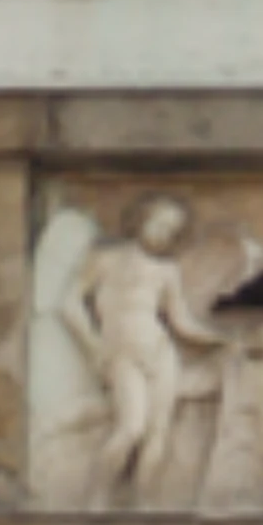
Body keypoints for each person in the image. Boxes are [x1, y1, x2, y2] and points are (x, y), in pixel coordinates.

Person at [59, 193, 224, 505]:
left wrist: (221, 338)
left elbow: (182, 322)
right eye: (159, 222)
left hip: (161, 353)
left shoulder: (166, 271)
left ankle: (145, 505)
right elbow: (70, 304)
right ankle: (96, 499)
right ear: (141, 219)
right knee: (131, 428)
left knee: (158, 434)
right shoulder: (104, 259)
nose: (162, 232)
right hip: (121, 352)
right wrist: (94, 347)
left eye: (170, 229)